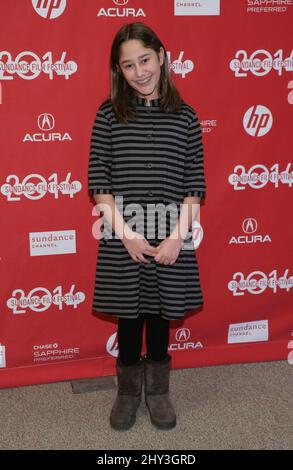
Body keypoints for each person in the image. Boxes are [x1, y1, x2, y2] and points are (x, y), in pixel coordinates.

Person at [88, 21, 206, 431]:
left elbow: (195, 185)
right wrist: (126, 233)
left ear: (162, 57)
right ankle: (126, 393)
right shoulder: (108, 114)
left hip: (171, 235)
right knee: (128, 314)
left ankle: (157, 392)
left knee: (160, 315)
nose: (139, 71)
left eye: (145, 59)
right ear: (118, 71)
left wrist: (177, 237)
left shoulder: (186, 117)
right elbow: (98, 181)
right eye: (128, 65)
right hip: (125, 234)